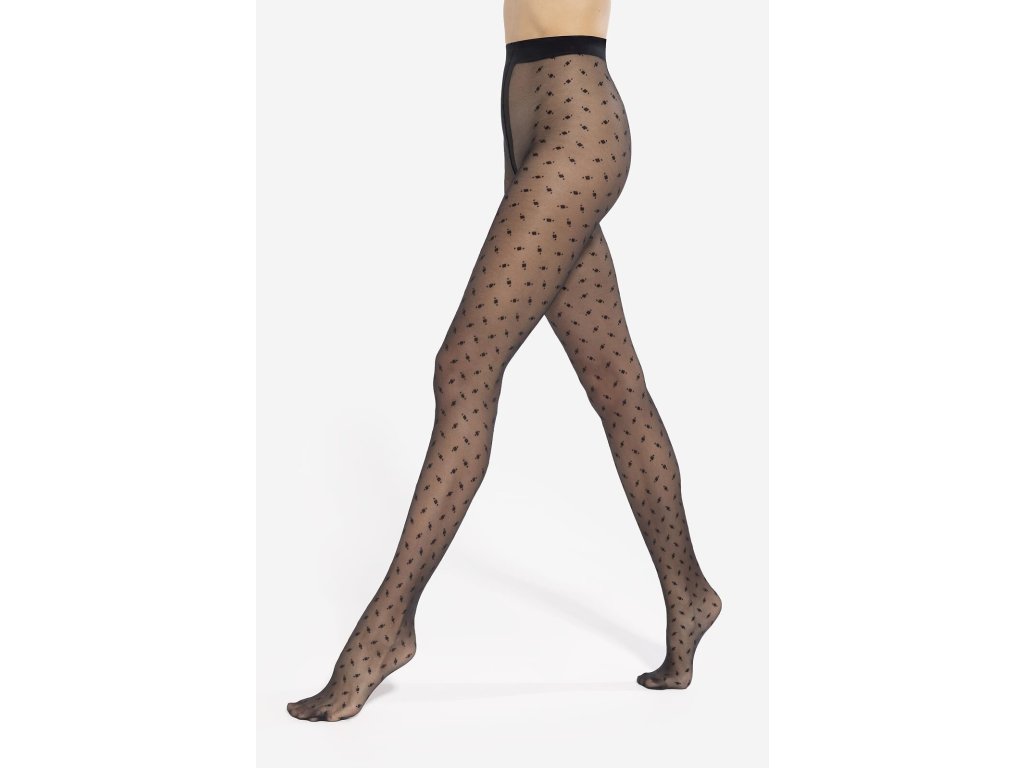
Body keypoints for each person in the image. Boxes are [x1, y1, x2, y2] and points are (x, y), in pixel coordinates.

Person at [287, 0, 721, 722]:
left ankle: (386, 629)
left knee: (464, 366)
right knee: (616, 386)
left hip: (579, 125)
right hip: (528, 115)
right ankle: (689, 593)